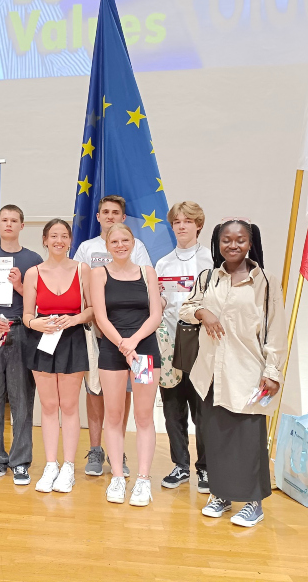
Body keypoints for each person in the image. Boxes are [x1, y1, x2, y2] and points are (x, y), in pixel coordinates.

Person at [179, 219, 286, 527]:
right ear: (218, 243)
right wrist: (203, 312)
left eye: (240, 239)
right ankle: (221, 494)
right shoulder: (208, 278)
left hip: (248, 372)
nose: (233, 245)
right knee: (216, 437)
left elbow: (275, 331)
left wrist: (272, 370)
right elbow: (187, 308)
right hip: (210, 372)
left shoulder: (265, 282)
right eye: (226, 240)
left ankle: (253, 502)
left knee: (248, 438)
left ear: (250, 242)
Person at [73, 195, 152, 478]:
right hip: (99, 336)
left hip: (139, 343)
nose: (109, 216)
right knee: (95, 391)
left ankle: (120, 452)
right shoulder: (86, 248)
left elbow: (147, 289)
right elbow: (77, 288)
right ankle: (96, 449)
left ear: (123, 218)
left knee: (128, 395)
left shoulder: (138, 248)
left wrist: (129, 341)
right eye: (104, 212)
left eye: (115, 212)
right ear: (97, 217)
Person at [90, 224, 162, 506]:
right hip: (112, 350)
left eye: (125, 240)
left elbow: (155, 314)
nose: (120, 245)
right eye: (115, 241)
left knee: (144, 416)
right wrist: (123, 343)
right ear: (107, 245)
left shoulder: (148, 273)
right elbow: (101, 317)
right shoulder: (99, 273)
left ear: (133, 243)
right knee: (114, 415)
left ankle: (143, 481)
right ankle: (118, 477)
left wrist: (134, 341)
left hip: (144, 350)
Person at [23, 219, 93, 493]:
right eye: (54, 236)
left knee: (70, 407)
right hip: (43, 340)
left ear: (70, 240)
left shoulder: (82, 270)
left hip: (72, 340)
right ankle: (50, 464)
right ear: (45, 239)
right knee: (49, 407)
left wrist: (74, 320)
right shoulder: (33, 273)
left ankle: (68, 467)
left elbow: (91, 310)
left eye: (64, 236)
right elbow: (27, 314)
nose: (59, 241)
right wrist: (34, 324)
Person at [0, 205, 43, 485]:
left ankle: (20, 461)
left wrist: (19, 286)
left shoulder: (33, 259)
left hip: (22, 331)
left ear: (22, 226)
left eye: (14, 220)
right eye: (4, 220)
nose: (9, 224)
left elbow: (40, 301)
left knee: (21, 399)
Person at [155, 202, 213, 493]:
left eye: (188, 221)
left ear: (198, 225)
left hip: (201, 341)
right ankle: (180, 465)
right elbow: (159, 302)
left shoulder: (210, 261)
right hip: (168, 340)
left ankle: (205, 468)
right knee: (172, 407)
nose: (182, 226)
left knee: (202, 407)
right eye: (177, 221)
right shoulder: (162, 263)